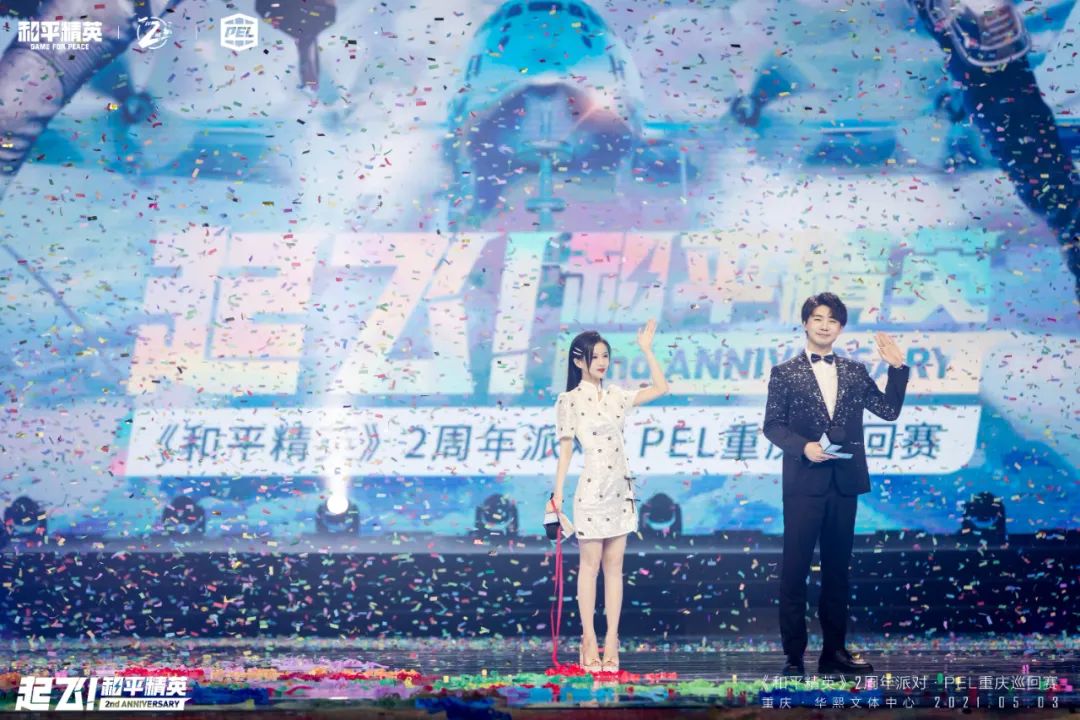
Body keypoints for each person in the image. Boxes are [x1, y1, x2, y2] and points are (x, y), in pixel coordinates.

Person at [763, 293, 909, 676]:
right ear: (805, 323)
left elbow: (888, 410)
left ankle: (834, 653)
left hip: (844, 484)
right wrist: (804, 447)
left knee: (837, 573)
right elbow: (772, 425)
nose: (825, 325)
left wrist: (897, 368)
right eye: (818, 318)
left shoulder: (855, 371)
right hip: (803, 484)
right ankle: (794, 657)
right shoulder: (785, 372)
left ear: (841, 328)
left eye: (832, 320)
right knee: (795, 571)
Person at [551, 320, 669, 672]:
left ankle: (612, 640)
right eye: (595, 356)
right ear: (578, 361)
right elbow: (566, 453)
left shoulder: (617, 395)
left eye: (605, 356)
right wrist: (556, 496)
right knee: (589, 568)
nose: (602, 362)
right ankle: (588, 638)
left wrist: (646, 350)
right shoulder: (569, 401)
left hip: (620, 490)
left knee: (614, 568)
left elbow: (661, 388)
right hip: (590, 490)